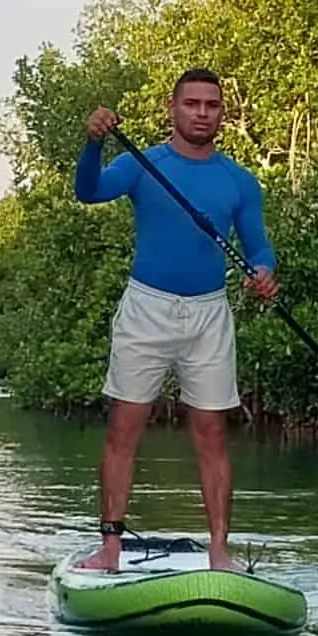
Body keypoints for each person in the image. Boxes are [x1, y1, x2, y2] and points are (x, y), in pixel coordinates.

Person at [70, 70, 278, 577]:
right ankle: (111, 550)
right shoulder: (142, 165)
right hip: (147, 309)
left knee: (211, 435)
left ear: (221, 113)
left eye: (212, 105)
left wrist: (264, 272)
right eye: (192, 104)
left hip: (209, 313)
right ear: (173, 108)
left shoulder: (239, 181)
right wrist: (92, 143)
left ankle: (220, 553)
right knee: (124, 430)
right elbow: (88, 191)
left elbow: (259, 245)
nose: (202, 113)